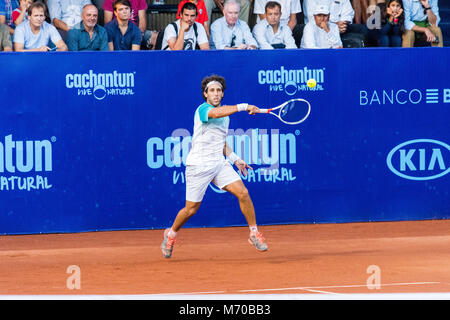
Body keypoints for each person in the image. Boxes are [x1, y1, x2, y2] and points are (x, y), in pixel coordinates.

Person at [160, 74, 269, 259]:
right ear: (205, 94)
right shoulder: (203, 110)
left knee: (243, 193)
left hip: (218, 164)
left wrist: (235, 159)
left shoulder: (226, 117)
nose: (216, 94)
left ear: (222, 94)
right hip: (198, 165)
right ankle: (170, 234)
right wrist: (244, 106)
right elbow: (217, 113)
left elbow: (221, 142)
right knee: (191, 209)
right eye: (212, 91)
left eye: (219, 90)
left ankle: (253, 233)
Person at [303, 0, 368, 47]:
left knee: (362, 29)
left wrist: (342, 24)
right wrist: (333, 25)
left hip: (341, 26)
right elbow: (312, 17)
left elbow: (348, 13)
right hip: (318, 27)